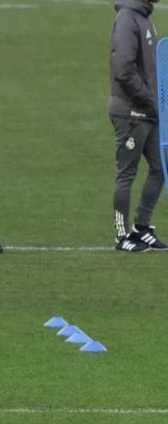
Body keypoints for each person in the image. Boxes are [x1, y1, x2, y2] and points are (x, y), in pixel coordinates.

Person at [109, 0, 167, 252]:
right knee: (126, 173)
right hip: (131, 112)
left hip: (149, 110)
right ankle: (121, 236)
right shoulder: (127, 18)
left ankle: (141, 227)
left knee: (161, 165)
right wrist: (148, 97)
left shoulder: (144, 16)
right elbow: (123, 69)